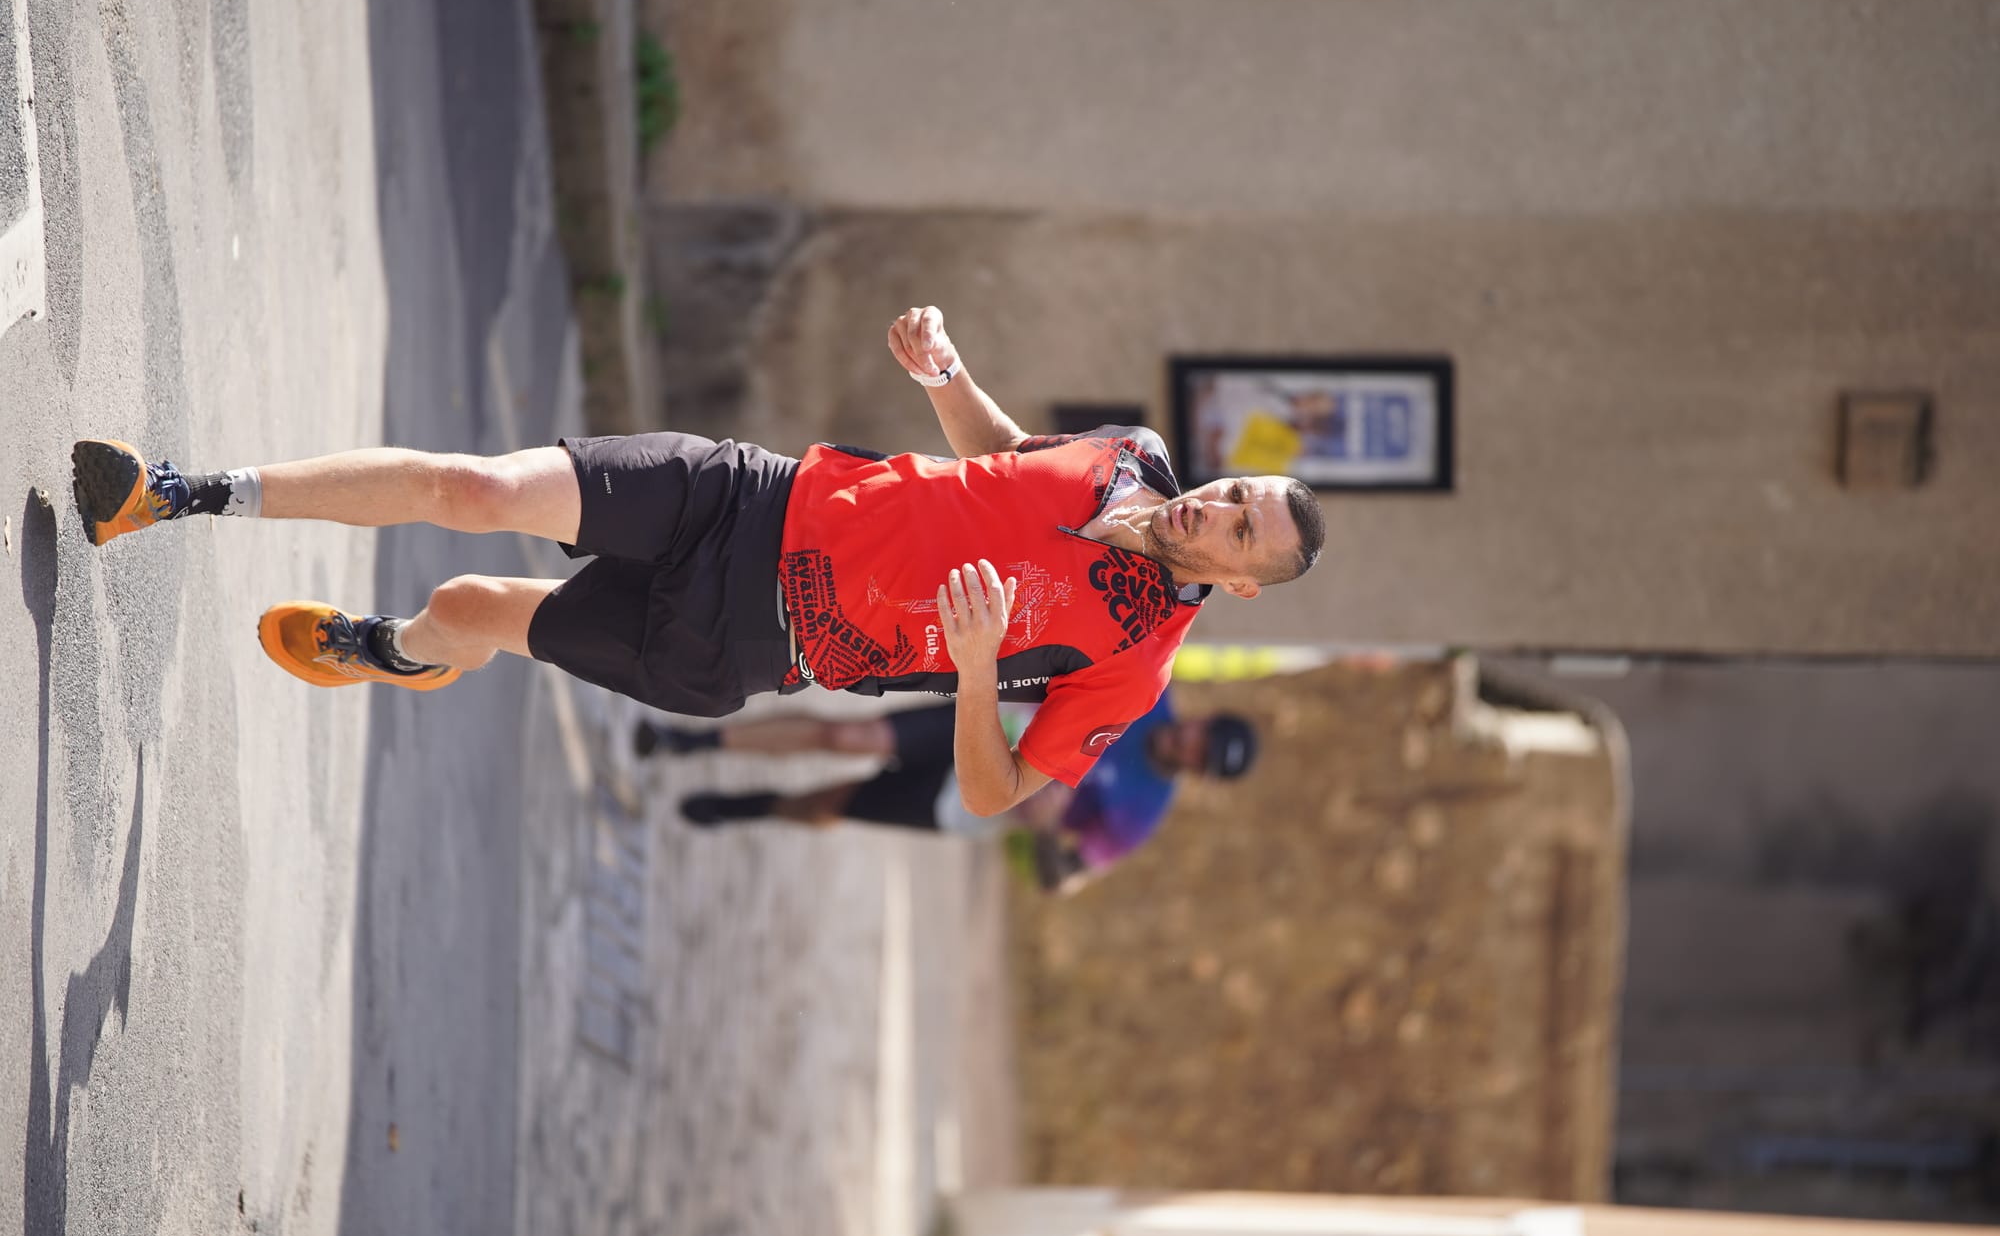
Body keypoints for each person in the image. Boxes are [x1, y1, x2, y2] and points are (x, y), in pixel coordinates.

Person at [69, 307, 1323, 815]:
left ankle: (392, 652)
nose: (1216, 507)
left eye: (1239, 530)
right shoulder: (1133, 455)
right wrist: (948, 377)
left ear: (1242, 585)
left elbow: (996, 795)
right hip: (750, 497)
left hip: (753, 641)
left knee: (464, 607)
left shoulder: (1132, 663)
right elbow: (1004, 459)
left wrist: (985, 668)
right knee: (479, 489)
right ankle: (178, 494)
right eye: (1237, 492)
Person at [636, 693, 1257, 890]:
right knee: (850, 735)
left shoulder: (1140, 813)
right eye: (1206, 735)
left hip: (973, 804)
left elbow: (1062, 878)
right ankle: (691, 743)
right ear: (1204, 719)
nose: (1192, 745)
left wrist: (1043, 829)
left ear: (1200, 774)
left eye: (1204, 759)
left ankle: (752, 808)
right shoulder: (1143, 692)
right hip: (983, 726)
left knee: (835, 803)